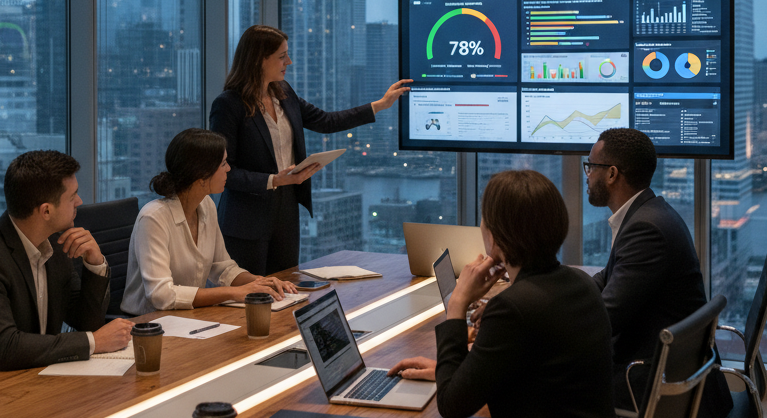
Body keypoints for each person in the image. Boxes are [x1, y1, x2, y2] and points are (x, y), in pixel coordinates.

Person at [389, 170, 615, 418]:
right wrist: (453, 373)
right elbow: (528, 371)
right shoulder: (581, 283)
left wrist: (457, 303)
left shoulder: (513, 308)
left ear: (495, 237)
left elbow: (452, 406)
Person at [209, 25, 411, 275]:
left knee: (286, 288)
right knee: (250, 297)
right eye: (282, 56)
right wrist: (274, 180)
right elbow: (225, 172)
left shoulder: (284, 93)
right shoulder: (228, 105)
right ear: (259, 59)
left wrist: (379, 105)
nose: (289, 61)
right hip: (246, 220)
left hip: (286, 212)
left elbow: (326, 121)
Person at [0, 150, 134, 377]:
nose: (80, 201)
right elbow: (6, 348)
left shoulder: (54, 245)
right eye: (72, 196)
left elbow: (86, 322)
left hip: (31, 375)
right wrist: (93, 342)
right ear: (46, 210)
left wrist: (95, 264)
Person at [586, 128, 731, 417]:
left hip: (648, 385)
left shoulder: (646, 228)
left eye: (590, 167)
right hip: (668, 373)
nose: (587, 175)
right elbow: (607, 278)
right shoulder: (649, 212)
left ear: (612, 174)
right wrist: (561, 290)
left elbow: (605, 319)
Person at [121, 128, 298, 315]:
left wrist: (258, 282)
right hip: (148, 323)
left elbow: (223, 268)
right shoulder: (153, 218)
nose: (229, 169)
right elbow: (161, 295)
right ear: (201, 176)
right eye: (223, 164)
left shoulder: (206, 205)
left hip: (187, 317)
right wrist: (235, 293)